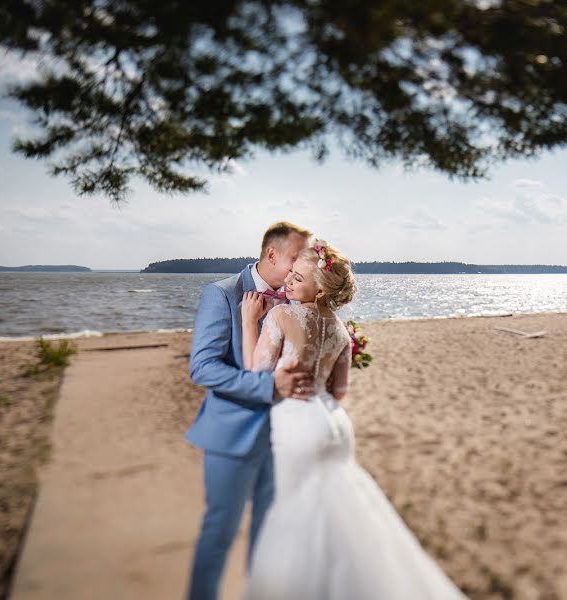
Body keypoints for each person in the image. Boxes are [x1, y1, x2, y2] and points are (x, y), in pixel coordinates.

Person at [239, 239, 467, 599]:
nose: (289, 284)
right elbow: (339, 390)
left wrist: (248, 321)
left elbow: (256, 374)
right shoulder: (342, 332)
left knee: (298, 518)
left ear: (320, 290)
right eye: (291, 276)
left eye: (298, 279)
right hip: (334, 423)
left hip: (298, 424)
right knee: (339, 514)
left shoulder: (281, 315)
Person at [185, 222, 314, 600]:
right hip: (233, 434)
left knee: (270, 531)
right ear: (271, 254)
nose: (299, 267)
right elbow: (203, 367)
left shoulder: (299, 296)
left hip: (283, 434)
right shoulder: (222, 294)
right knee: (220, 532)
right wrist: (268, 386)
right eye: (295, 258)